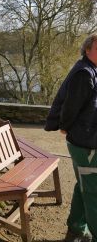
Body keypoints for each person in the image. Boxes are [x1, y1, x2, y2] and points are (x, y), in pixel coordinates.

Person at [45, 34, 97, 242]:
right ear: (87, 50)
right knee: (94, 192)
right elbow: (70, 107)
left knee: (84, 184)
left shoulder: (91, 69)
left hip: (87, 139)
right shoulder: (84, 73)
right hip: (85, 143)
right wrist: (65, 127)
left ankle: (76, 226)